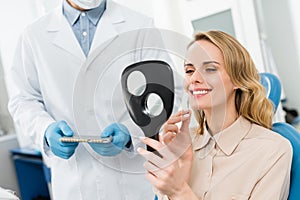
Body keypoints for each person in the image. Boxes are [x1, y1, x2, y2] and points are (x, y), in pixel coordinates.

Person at [7, 0, 161, 199]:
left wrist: (131, 132)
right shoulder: (34, 35)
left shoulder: (140, 25)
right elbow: (23, 99)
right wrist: (45, 129)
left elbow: (160, 95)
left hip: (131, 182)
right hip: (73, 183)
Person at [138, 30, 293, 199]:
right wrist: (177, 167)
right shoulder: (182, 145)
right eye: (189, 70)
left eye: (210, 69)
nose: (194, 78)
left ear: (237, 80)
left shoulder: (273, 150)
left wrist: (179, 191)